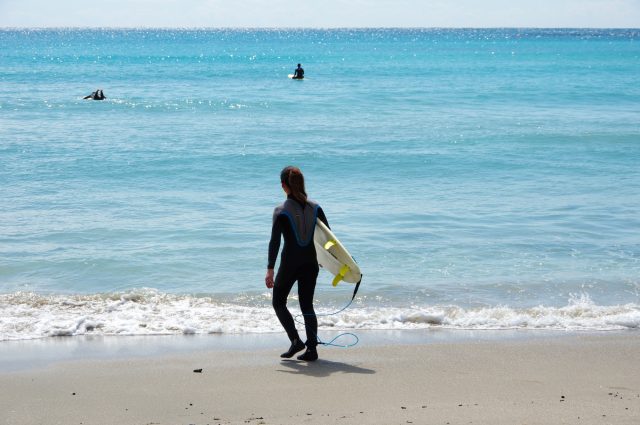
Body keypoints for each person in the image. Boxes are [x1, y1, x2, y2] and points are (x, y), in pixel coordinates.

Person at [265, 166, 329, 361]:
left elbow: (275, 242)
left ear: (284, 186)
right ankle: (312, 350)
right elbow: (328, 238)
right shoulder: (316, 207)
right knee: (307, 305)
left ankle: (295, 340)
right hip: (311, 263)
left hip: (290, 263)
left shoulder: (281, 211)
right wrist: (333, 262)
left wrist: (270, 269)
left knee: (278, 302)